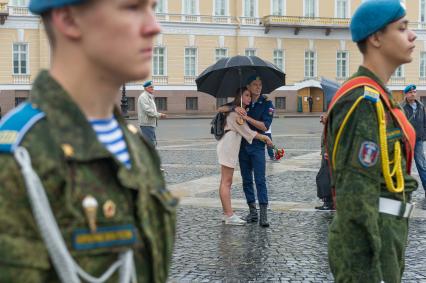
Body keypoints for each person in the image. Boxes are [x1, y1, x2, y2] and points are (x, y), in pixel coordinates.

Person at [0, 0, 177, 282]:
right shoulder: (18, 158)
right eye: (132, 8)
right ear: (69, 20)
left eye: (152, 7)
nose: (154, 26)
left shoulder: (136, 146)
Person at [325, 1, 417, 282]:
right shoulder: (364, 101)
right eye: (402, 28)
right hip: (368, 250)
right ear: (376, 38)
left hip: (387, 236)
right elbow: (355, 198)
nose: (412, 35)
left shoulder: (380, 96)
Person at [219, 74, 274, 227]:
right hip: (242, 147)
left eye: (260, 84)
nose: (258, 87)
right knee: (246, 180)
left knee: (260, 179)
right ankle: (252, 212)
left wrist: (247, 118)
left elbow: (265, 127)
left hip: (256, 147)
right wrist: (235, 107)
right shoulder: (244, 101)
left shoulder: (267, 103)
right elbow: (221, 108)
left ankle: (263, 214)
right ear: (248, 87)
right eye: (255, 84)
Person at [400, 84, 426, 198]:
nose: (413, 94)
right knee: (405, 165)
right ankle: (403, 191)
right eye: (410, 92)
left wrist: (424, 134)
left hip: (419, 140)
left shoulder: (421, 106)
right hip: (406, 140)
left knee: (422, 165)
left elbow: (424, 122)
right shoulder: (401, 107)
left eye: (414, 92)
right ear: (406, 94)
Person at [137, 80, 166, 146]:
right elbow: (148, 111)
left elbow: (151, 110)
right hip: (146, 124)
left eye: (153, 87)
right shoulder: (143, 97)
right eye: (151, 87)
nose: (153, 88)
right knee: (150, 144)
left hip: (150, 123)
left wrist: (160, 114)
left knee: (151, 143)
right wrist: (159, 115)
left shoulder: (149, 96)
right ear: (146, 88)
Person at [315, 113, 333, 211]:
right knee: (324, 178)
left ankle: (328, 203)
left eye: (323, 117)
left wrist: (328, 152)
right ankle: (329, 201)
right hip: (326, 156)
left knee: (323, 178)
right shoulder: (327, 127)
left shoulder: (330, 128)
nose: (321, 120)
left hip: (328, 156)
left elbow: (331, 141)